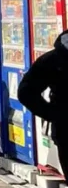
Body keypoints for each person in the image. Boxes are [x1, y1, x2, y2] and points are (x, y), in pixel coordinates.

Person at [19, 30, 68, 178]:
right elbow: (26, 92)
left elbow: (26, 91)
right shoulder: (55, 59)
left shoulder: (53, 58)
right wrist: (53, 114)